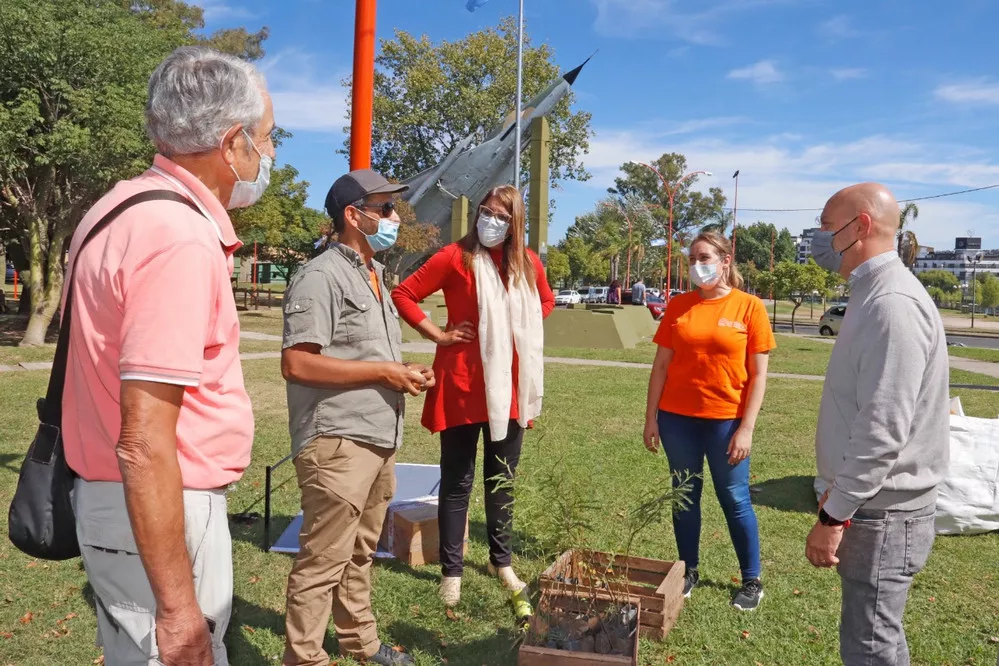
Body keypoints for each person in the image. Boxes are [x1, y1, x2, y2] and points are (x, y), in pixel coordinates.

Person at [62, 46, 271, 665]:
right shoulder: (178, 236)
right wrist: (178, 608)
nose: (268, 153)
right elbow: (144, 441)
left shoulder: (119, 208)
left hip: (123, 505)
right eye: (266, 137)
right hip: (160, 507)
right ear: (232, 144)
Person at [281, 169, 434, 666]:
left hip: (377, 437)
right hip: (337, 441)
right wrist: (384, 371)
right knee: (323, 561)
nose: (395, 217)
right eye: (385, 208)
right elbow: (297, 363)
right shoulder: (320, 275)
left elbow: (363, 354)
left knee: (360, 552)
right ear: (353, 215)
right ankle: (304, 658)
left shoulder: (375, 274)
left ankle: (360, 643)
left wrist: (402, 371)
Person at [392, 185, 555, 612]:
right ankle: (452, 572)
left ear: (515, 224)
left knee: (501, 479)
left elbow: (546, 301)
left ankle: (502, 562)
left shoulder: (527, 262)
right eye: (486, 211)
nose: (491, 221)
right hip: (462, 383)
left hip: (510, 387)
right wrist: (438, 334)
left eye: (501, 216)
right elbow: (403, 294)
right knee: (457, 480)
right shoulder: (455, 257)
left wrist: (517, 326)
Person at [805, 183, 948, 666]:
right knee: (875, 637)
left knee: (870, 646)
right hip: (874, 509)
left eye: (827, 227)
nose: (819, 238)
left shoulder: (892, 304)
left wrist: (834, 516)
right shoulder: (873, 294)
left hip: (881, 515)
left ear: (860, 226)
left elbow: (882, 432)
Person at [643, 231, 775, 611]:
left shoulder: (749, 307)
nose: (697, 266)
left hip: (726, 422)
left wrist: (746, 428)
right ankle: (688, 570)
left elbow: (759, 376)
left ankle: (751, 580)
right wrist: (651, 418)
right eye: (692, 259)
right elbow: (661, 366)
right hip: (677, 420)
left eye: (705, 258)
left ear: (725, 261)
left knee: (734, 497)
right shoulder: (679, 306)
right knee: (685, 495)